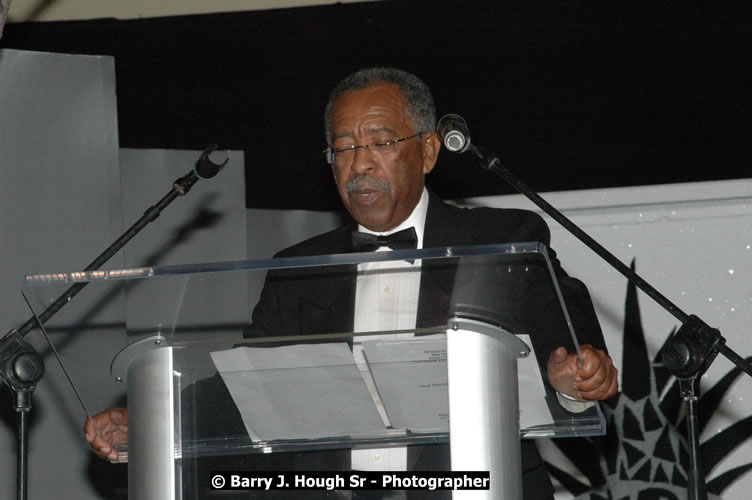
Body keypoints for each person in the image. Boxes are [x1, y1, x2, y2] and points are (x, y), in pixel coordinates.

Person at [85, 67, 618, 499]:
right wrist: (152, 422)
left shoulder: (500, 241)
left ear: (428, 151)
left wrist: (573, 376)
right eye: (343, 148)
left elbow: (562, 324)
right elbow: (246, 389)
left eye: (381, 142)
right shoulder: (299, 268)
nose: (359, 164)